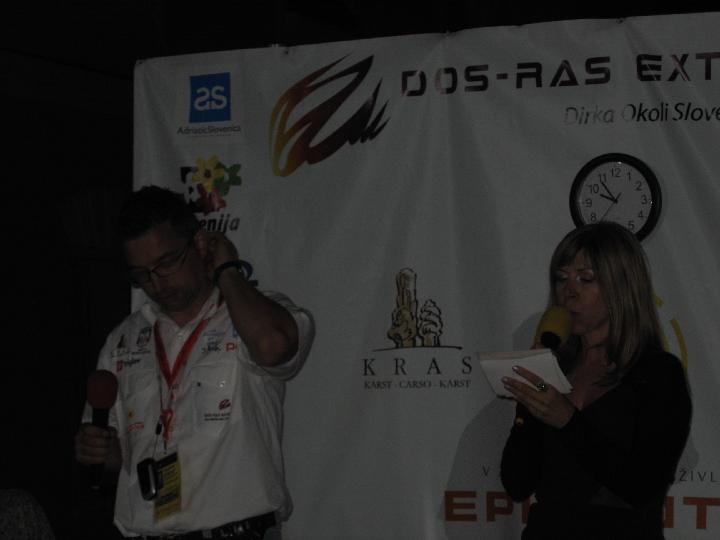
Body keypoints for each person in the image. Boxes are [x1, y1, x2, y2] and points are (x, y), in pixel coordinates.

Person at [74, 185, 314, 539]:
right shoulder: (122, 340)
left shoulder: (251, 315)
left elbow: (274, 347)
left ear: (199, 244)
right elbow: (116, 457)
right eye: (142, 274)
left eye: (166, 263)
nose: (157, 282)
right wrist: (101, 451)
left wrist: (227, 270)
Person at [500, 222, 691, 540]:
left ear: (621, 287)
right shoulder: (556, 370)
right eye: (561, 278)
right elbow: (517, 483)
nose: (569, 291)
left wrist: (567, 420)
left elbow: (642, 486)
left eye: (585, 279)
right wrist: (531, 399)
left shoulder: (657, 374)